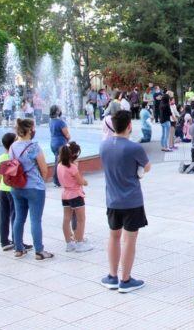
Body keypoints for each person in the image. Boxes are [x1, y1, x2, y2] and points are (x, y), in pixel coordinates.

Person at [100, 110, 151, 293]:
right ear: (129, 125)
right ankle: (126, 279)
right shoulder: (133, 148)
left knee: (114, 236)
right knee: (129, 239)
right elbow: (147, 166)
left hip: (112, 200)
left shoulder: (103, 146)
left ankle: (112, 276)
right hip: (132, 201)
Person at [10, 118, 54, 260]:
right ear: (30, 130)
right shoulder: (34, 147)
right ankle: (39, 251)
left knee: (19, 218)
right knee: (35, 220)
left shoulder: (12, 146)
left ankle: (18, 249)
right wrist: (42, 180)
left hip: (16, 186)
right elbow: (44, 169)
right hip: (34, 187)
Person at [0, 133, 28, 249]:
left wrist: (3, 180)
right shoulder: (15, 157)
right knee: (16, 216)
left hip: (2, 189)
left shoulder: (0, 157)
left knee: (4, 215)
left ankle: (4, 242)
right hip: (13, 189)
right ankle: (17, 241)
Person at [57, 142, 93, 253]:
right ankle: (79, 243)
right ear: (73, 155)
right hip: (76, 195)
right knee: (81, 219)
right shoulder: (72, 167)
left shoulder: (59, 165)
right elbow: (80, 181)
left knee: (66, 219)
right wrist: (85, 182)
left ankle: (69, 243)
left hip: (65, 195)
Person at [49, 105, 70, 188]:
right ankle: (57, 181)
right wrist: (68, 139)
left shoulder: (51, 121)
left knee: (57, 161)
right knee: (60, 163)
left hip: (53, 143)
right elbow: (67, 134)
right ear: (57, 111)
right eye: (59, 109)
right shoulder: (60, 122)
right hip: (60, 143)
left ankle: (58, 180)